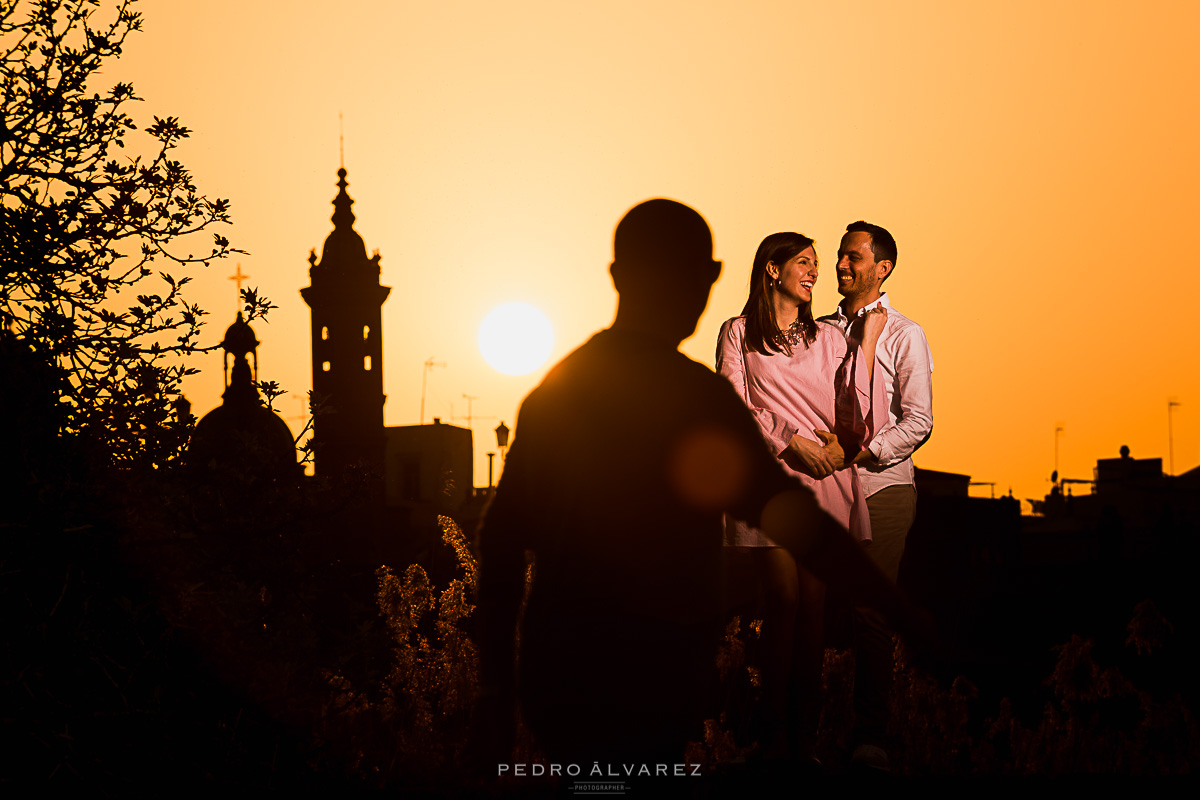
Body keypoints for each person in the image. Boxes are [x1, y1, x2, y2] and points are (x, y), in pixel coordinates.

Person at [475, 201, 929, 776]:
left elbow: (501, 542)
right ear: (709, 278)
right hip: (649, 683)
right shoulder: (696, 400)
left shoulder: (562, 392)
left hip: (575, 680)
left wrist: (495, 689)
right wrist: (904, 615)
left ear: (617, 276)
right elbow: (795, 518)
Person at [716, 232, 887, 763]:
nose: (816, 272)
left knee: (815, 606)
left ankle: (803, 741)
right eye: (804, 263)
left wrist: (844, 438)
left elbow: (855, 409)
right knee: (784, 598)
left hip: (825, 481)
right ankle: (772, 737)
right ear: (772, 270)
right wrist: (791, 440)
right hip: (771, 479)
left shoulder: (831, 338)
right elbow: (733, 407)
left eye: (816, 264)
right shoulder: (737, 332)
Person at [819, 220, 934, 772]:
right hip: (825, 490)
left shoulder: (904, 335)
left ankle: (872, 738)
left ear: (881, 267)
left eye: (853, 257)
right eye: (841, 256)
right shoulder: (816, 332)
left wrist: (862, 456)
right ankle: (804, 732)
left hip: (883, 488)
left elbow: (919, 421)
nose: (842, 265)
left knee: (870, 610)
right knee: (810, 608)